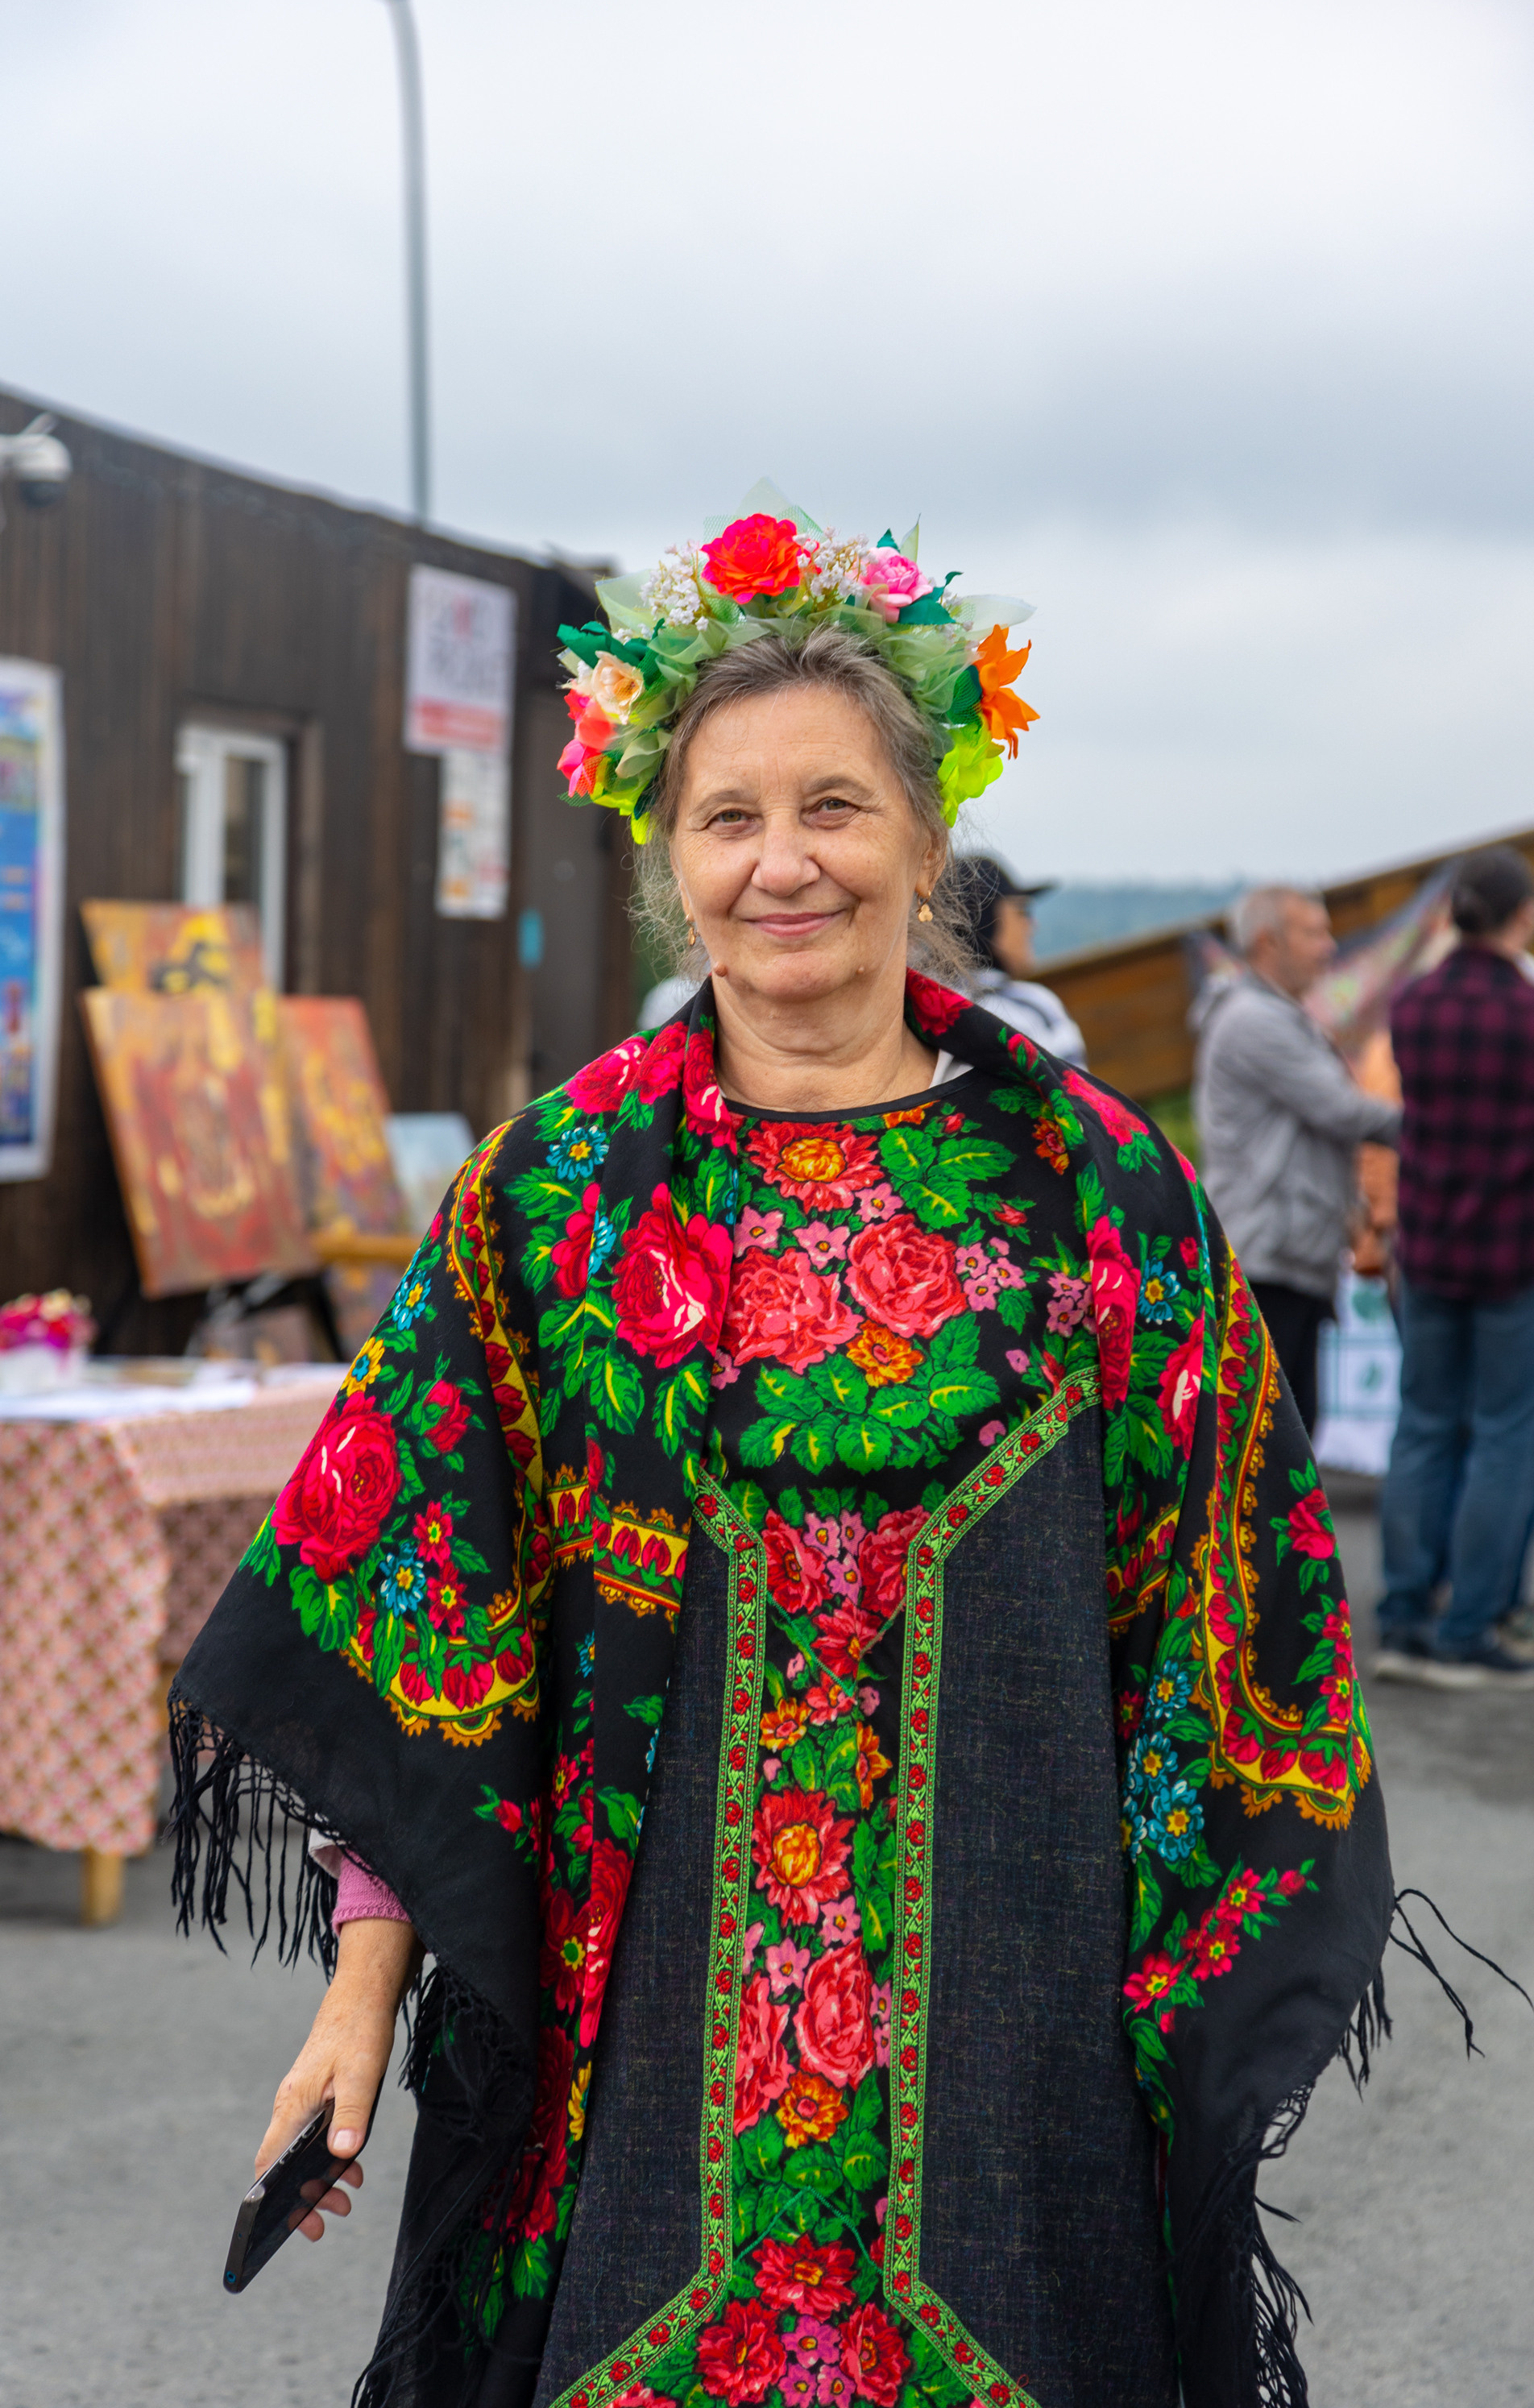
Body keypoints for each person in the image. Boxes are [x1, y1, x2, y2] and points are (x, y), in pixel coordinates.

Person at [172, 500, 1392, 2408]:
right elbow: (432, 1598)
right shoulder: (557, 1196)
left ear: (925, 843)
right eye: (727, 817)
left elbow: (1220, 1624)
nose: (780, 862)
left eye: (832, 806)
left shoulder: (1101, 1197)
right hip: (631, 2049)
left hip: (1015, 2056)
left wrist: (1183, 2025)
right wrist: (360, 1988)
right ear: (671, 862)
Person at [1374, 845, 1534, 1689]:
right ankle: (1469, 1625)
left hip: (1431, 1249)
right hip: (1521, 1255)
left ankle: (1402, 1619)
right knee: (1505, 1439)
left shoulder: (1412, 1007)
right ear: (1522, 918)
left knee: (1423, 1425)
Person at [1192, 886, 1401, 1430]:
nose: (1329, 947)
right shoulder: (1254, 1021)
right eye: (1314, 933)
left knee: (1287, 1429)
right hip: (1268, 1259)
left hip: (1285, 1254)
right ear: (1267, 941)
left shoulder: (1272, 1014)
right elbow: (1342, 1110)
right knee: (1275, 1439)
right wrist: (1442, 1127)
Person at [955, 853, 1087, 1061]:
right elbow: (1078, 1091)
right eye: (1022, 910)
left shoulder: (919, 1007)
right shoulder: (1031, 1007)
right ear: (986, 919)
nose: (1032, 925)